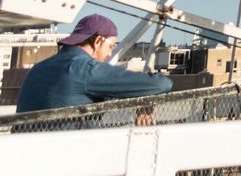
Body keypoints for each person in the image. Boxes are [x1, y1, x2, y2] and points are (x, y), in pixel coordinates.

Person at [15, 14, 172, 113]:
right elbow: (162, 84)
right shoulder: (86, 70)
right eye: (111, 46)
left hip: (24, 150)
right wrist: (144, 104)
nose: (109, 54)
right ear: (98, 41)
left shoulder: (37, 68)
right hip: (67, 151)